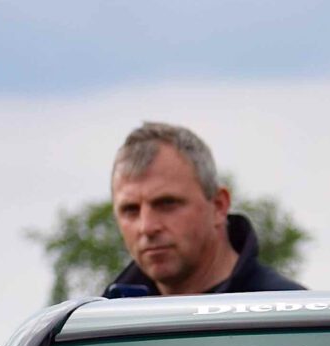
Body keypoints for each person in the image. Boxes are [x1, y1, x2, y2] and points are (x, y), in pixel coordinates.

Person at [105, 121, 304, 298]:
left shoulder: (292, 320)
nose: (147, 227)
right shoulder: (101, 326)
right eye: (130, 210)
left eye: (167, 203)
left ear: (218, 206)